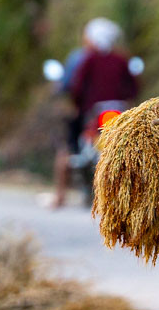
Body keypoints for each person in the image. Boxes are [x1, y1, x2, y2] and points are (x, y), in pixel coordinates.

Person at [53, 18, 140, 208]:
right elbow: (133, 87)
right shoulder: (121, 59)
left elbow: (76, 86)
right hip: (119, 109)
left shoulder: (87, 58)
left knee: (68, 147)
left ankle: (59, 197)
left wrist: (77, 104)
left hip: (93, 112)